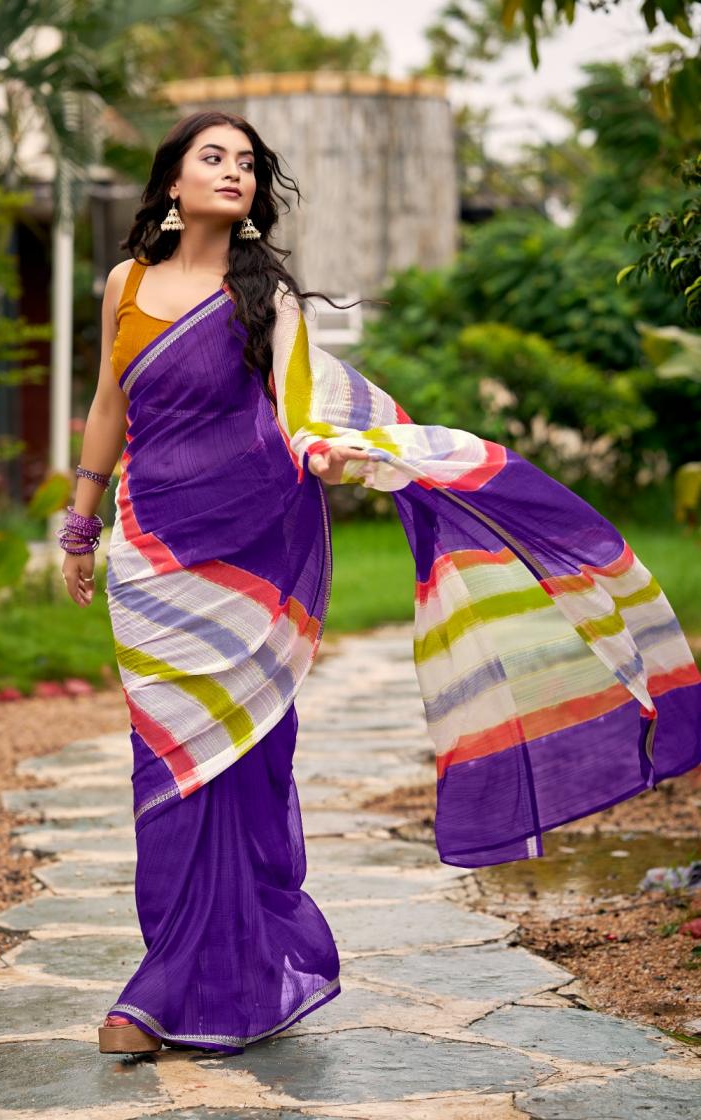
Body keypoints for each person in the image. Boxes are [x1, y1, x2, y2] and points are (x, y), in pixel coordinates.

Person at [58, 110, 701, 1058]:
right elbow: (109, 403)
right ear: (172, 183)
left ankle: (165, 995)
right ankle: (191, 971)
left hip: (251, 549)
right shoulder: (127, 283)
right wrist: (80, 521)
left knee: (242, 764)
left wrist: (325, 451)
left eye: (247, 162)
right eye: (213, 157)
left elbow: (299, 409)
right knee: (166, 764)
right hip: (152, 555)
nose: (234, 172)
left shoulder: (267, 297)